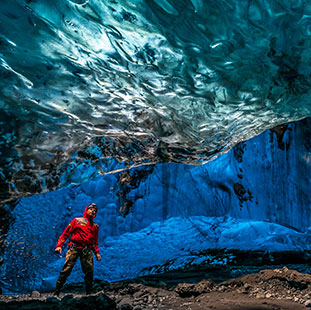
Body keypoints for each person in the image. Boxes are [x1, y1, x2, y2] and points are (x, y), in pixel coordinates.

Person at [54, 203, 101, 296]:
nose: (93, 211)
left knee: (89, 271)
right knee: (66, 269)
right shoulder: (77, 220)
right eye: (91, 209)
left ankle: (89, 292)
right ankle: (56, 292)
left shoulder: (95, 226)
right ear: (86, 210)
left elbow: (94, 241)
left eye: (95, 210)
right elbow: (65, 234)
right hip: (74, 248)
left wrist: (97, 253)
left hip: (86, 250)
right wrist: (59, 246)